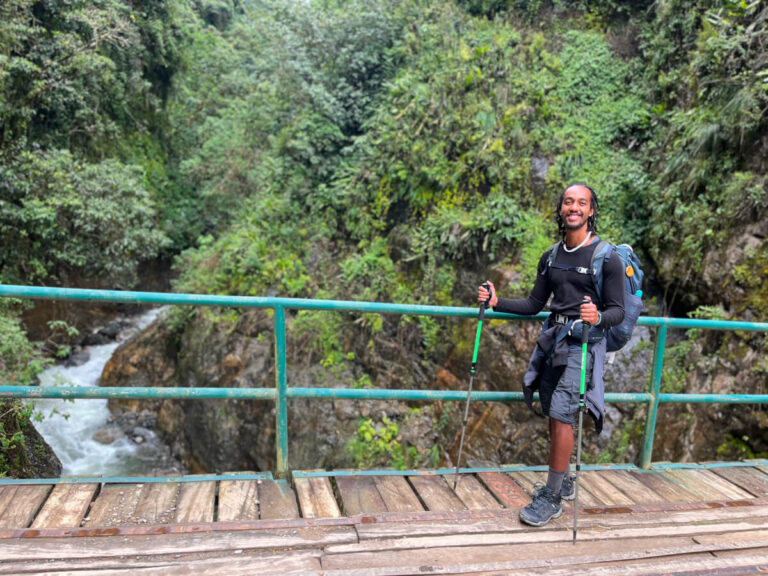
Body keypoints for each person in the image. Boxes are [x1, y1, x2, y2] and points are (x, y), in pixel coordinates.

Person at [477, 183, 624, 527]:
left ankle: (553, 497)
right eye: (568, 202)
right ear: (561, 209)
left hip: (583, 344)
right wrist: (497, 303)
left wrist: (598, 316)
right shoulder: (552, 257)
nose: (574, 207)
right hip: (553, 340)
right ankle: (564, 481)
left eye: (581, 203)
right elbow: (533, 304)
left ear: (590, 211)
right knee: (550, 407)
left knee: (561, 414)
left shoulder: (607, 258)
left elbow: (617, 309)